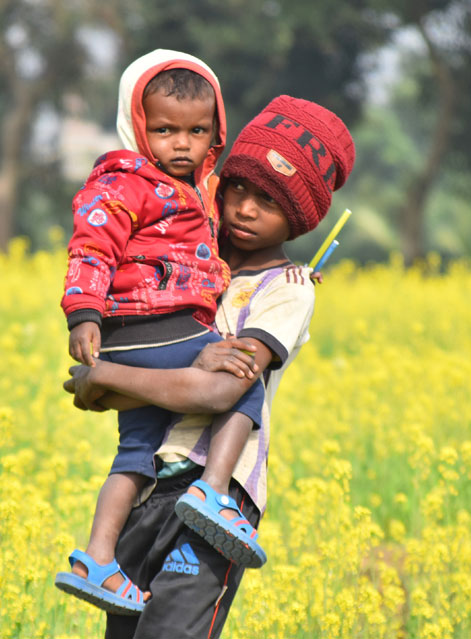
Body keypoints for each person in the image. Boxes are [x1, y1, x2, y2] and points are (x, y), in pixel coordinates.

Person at [65, 95, 356, 639]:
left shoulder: (286, 290)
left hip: (215, 496)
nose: (244, 208)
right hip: (146, 485)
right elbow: (103, 396)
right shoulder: (185, 270)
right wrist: (102, 381)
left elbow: (219, 393)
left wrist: (104, 376)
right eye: (238, 188)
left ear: (298, 217)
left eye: (268, 200)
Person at [54, 49, 267, 615]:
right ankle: (214, 492)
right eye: (166, 129)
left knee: (135, 452)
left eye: (198, 131)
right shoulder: (128, 181)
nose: (182, 144)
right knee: (244, 377)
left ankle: (99, 561)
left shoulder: (199, 191)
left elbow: (214, 258)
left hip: (139, 339)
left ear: (215, 131)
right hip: (157, 327)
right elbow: (92, 244)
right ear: (137, 124)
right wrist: (84, 313)